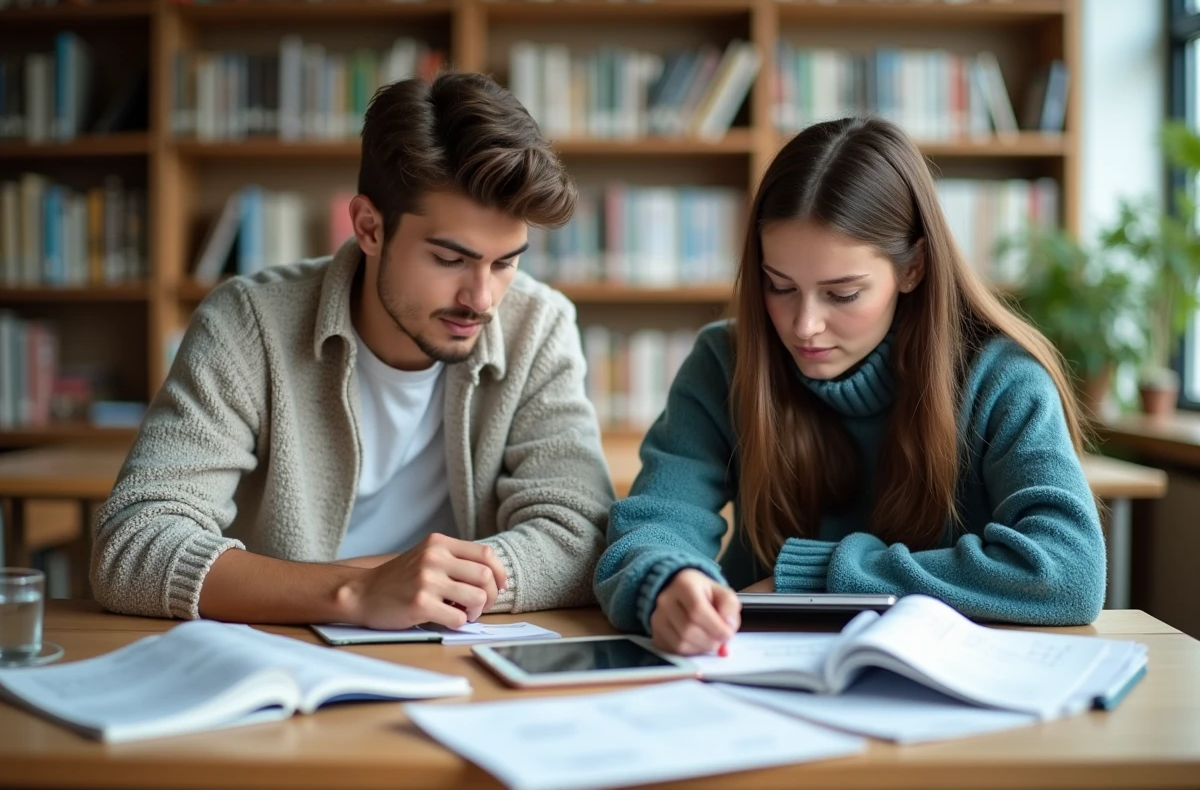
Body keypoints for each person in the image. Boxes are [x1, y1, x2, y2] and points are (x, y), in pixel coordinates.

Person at [93, 72, 615, 629]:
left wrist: (423, 583)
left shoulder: (538, 325)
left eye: (506, 262)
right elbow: (133, 543)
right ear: (369, 228)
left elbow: (583, 538)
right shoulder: (247, 322)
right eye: (449, 259)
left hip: (458, 650)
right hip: (287, 650)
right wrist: (355, 591)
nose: (481, 299)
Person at [594, 116, 1106, 655]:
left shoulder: (1001, 380)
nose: (803, 326)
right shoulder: (725, 362)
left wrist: (816, 580)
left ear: (913, 268)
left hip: (940, 684)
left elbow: (1068, 572)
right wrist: (666, 581)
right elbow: (653, 526)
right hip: (752, 670)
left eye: (842, 294)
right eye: (779, 286)